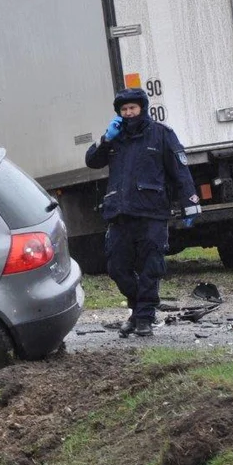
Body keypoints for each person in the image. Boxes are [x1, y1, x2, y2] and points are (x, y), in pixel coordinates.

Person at [85, 87, 201, 337]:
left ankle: (145, 318)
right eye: (124, 110)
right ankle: (139, 310)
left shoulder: (161, 135)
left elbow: (180, 172)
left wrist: (190, 203)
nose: (128, 114)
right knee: (117, 267)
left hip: (152, 213)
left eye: (133, 109)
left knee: (151, 267)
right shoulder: (115, 137)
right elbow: (92, 161)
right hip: (120, 213)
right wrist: (106, 139)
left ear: (142, 109)